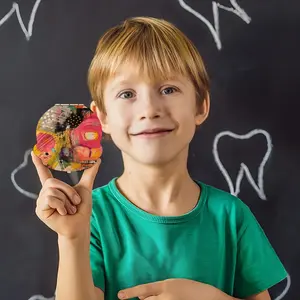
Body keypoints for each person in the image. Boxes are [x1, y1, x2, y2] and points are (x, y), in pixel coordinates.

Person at [31, 16, 288, 300]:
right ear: (101, 117)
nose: (150, 109)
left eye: (168, 89)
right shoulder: (92, 217)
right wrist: (72, 239)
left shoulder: (231, 217)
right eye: (127, 93)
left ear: (200, 106)